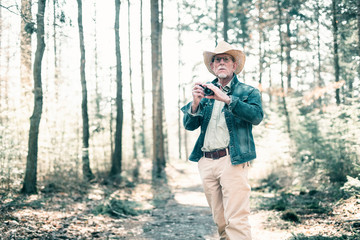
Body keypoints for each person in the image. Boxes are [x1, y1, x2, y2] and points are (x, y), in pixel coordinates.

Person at [181, 41, 263, 240]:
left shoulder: (247, 92)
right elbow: (189, 125)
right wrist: (196, 103)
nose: (221, 63)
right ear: (213, 66)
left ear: (234, 66)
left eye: (226, 59)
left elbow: (256, 116)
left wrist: (227, 99)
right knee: (220, 219)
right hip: (206, 161)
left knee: (237, 218)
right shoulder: (206, 92)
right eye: (217, 60)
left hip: (232, 160)